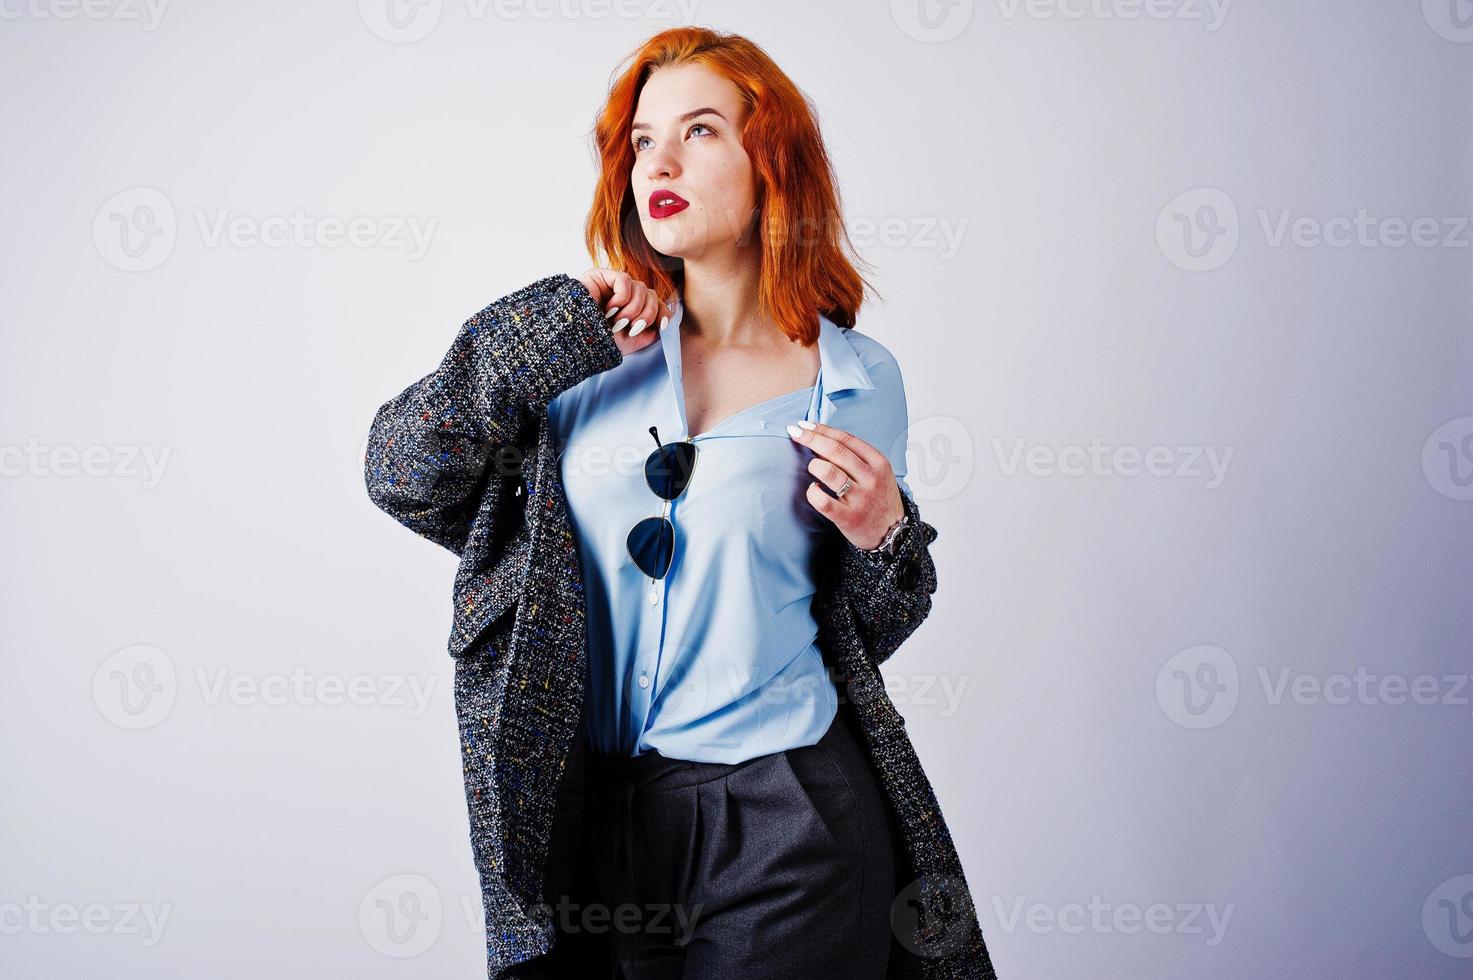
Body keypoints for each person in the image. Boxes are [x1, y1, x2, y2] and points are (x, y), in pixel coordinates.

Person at [522, 27, 922, 978]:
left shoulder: (856, 380)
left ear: (770, 161)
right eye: (640, 139)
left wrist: (885, 536)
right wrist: (537, 332)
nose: (657, 160)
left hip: (786, 815)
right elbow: (405, 475)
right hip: (597, 820)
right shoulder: (576, 359)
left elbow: (868, 624)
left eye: (698, 131)